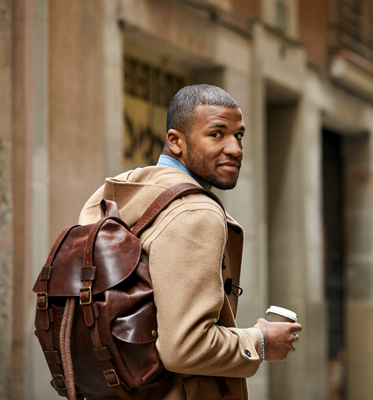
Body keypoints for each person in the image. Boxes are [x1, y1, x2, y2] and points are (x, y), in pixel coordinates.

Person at [79, 84, 302, 399]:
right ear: (175, 141)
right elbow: (185, 348)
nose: (235, 149)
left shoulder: (123, 191)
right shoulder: (196, 211)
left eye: (238, 135)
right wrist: (261, 341)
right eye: (216, 134)